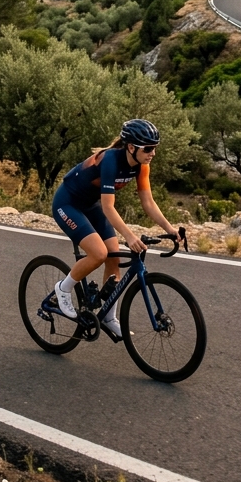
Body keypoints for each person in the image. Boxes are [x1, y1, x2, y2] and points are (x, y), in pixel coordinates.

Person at [51, 118, 182, 338]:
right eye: (148, 148)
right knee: (99, 253)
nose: (153, 153)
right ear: (131, 147)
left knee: (114, 258)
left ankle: (109, 317)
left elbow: (148, 202)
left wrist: (170, 229)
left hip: (90, 205)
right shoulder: (110, 160)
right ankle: (63, 289)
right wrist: (129, 236)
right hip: (68, 203)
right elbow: (108, 207)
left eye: (155, 148)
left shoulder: (142, 166)